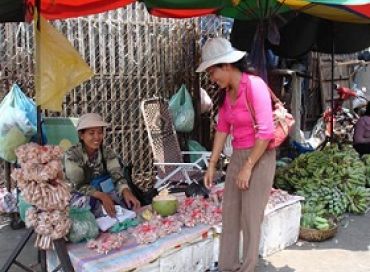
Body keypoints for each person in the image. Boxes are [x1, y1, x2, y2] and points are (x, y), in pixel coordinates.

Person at [198, 38, 276, 272]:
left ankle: (249, 267)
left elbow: (266, 131)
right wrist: (212, 164)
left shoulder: (254, 85)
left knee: (251, 218)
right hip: (238, 157)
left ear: (227, 65)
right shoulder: (226, 93)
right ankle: (228, 266)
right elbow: (222, 129)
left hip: (259, 157)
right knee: (230, 214)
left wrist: (248, 166)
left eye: (213, 72)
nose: (213, 78)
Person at [64, 113, 140, 217]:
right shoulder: (72, 155)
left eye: (100, 132)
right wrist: (102, 196)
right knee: (92, 206)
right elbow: (78, 185)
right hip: (79, 194)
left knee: (126, 202)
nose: (97, 137)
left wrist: (125, 190)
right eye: (91, 133)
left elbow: (117, 176)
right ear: (81, 135)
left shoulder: (107, 152)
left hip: (102, 190)